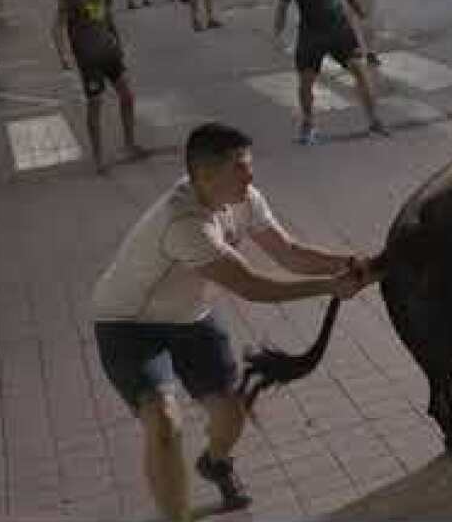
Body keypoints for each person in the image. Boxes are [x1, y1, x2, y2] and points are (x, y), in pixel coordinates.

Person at [91, 122, 371, 522]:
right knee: (165, 423)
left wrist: (351, 263)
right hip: (129, 325)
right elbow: (252, 286)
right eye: (240, 167)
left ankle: (215, 462)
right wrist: (330, 286)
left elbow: (288, 253)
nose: (251, 175)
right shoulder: (184, 223)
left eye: (249, 165)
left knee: (231, 415)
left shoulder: (245, 198)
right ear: (204, 175)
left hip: (192, 316)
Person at [274, 0, 388, 145]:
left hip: (339, 30)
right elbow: (282, 6)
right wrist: (277, 32)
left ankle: (374, 120)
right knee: (306, 81)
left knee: (360, 72)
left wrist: (361, 13)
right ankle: (308, 124)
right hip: (310, 34)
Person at [52, 0, 146, 174]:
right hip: (89, 58)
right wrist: (63, 55)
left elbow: (109, 19)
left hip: (109, 53)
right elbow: (56, 27)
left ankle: (130, 144)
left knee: (128, 96)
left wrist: (119, 44)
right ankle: (98, 158)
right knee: (95, 105)